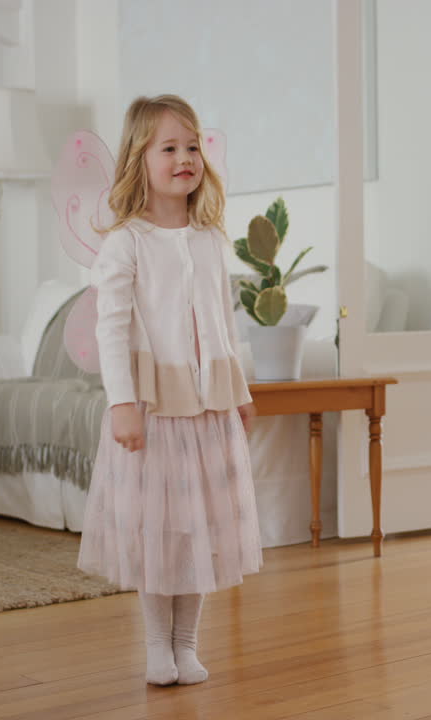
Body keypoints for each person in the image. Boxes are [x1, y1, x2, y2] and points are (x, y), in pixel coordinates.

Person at [77, 94, 262, 686]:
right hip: (154, 410)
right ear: (140, 158)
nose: (185, 158)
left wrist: (240, 390)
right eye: (170, 148)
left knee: (200, 529)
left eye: (193, 146)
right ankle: (158, 642)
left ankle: (187, 642)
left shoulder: (209, 239)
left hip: (208, 407)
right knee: (160, 530)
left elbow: (224, 321)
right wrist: (122, 401)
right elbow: (110, 327)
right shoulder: (126, 242)